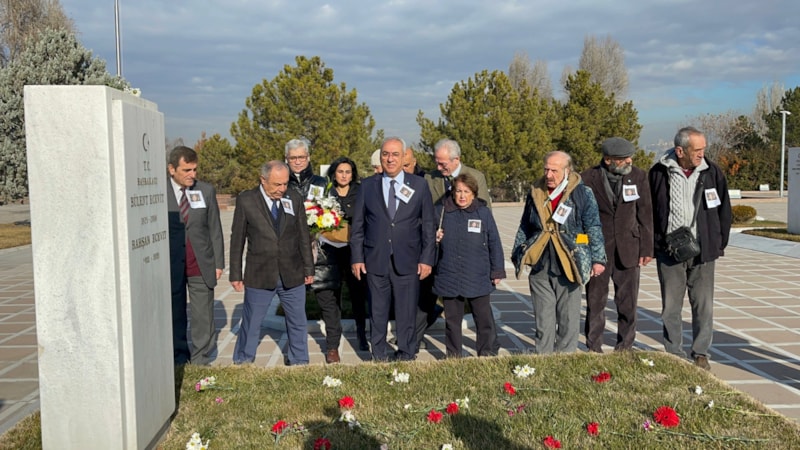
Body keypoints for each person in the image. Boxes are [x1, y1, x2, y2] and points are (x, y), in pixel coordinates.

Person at [649, 126, 731, 370]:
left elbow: (724, 210)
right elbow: (649, 212)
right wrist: (655, 245)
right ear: (680, 150)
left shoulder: (711, 172)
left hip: (704, 251)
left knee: (703, 305)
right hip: (669, 252)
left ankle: (700, 353)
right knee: (671, 307)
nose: (701, 154)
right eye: (697, 150)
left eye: (704, 149)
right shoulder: (658, 173)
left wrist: (718, 242)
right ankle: (674, 352)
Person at [511, 151, 606, 354]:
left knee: (568, 318)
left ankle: (565, 360)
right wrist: (519, 252)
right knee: (543, 318)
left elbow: (593, 227)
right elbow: (525, 225)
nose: (548, 174)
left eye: (554, 170)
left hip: (570, 261)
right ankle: (543, 359)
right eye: (546, 169)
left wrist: (598, 258)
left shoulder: (582, 193)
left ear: (567, 171)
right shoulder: (535, 192)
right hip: (541, 262)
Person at [350, 136, 436, 361]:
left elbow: (428, 224)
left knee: (406, 312)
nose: (390, 159)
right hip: (375, 259)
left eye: (395, 154)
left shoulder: (418, 185)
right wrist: (357, 258)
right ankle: (378, 355)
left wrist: (427, 259)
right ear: (380, 157)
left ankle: (406, 353)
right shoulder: (368, 186)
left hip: (408, 259)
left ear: (404, 157)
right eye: (385, 154)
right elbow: (358, 225)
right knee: (377, 312)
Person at [229, 161, 314, 365]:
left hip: (292, 272)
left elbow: (303, 235)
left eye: (285, 184)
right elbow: (237, 239)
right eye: (277, 184)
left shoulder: (293, 198)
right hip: (260, 273)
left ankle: (299, 361)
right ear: (263, 180)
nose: (282, 189)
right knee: (251, 322)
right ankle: (243, 361)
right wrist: (235, 274)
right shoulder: (246, 200)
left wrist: (309, 268)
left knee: (297, 322)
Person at [581, 137, 654, 352]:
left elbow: (645, 214)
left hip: (629, 248)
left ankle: (625, 346)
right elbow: (580, 218)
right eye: (623, 159)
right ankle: (594, 346)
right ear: (608, 160)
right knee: (596, 301)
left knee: (628, 302)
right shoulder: (587, 178)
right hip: (598, 251)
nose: (629, 161)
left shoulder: (638, 176)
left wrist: (647, 248)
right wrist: (584, 249)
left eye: (630, 157)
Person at [433, 173, 505, 357]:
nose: (462, 196)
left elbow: (494, 242)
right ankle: (454, 356)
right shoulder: (441, 212)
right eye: (458, 191)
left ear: (473, 193)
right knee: (452, 321)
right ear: (452, 193)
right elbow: (425, 240)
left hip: (477, 275)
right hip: (449, 274)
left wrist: (497, 270)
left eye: (466, 191)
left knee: (483, 319)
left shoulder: (483, 212)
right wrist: (435, 238)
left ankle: (486, 353)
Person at [167, 146, 225, 366]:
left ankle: (201, 358)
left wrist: (219, 263)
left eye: (194, 169)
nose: (192, 175)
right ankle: (179, 357)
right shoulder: (157, 191)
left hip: (200, 263)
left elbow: (215, 229)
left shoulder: (205, 191)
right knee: (176, 313)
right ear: (172, 169)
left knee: (203, 315)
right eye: (186, 170)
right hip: (171, 265)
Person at [314, 157, 370, 360]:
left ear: (353, 173)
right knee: (331, 298)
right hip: (330, 250)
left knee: (358, 296)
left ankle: (362, 335)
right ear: (334, 173)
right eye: (340, 171)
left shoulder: (361, 191)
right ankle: (332, 346)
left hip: (354, 251)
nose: (344, 175)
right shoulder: (326, 192)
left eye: (348, 171)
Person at [426, 138, 491, 208]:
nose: (439, 168)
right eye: (437, 163)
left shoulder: (477, 177)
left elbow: (485, 212)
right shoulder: (429, 178)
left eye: (443, 164)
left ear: (456, 160)